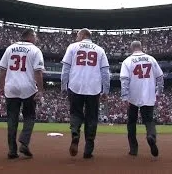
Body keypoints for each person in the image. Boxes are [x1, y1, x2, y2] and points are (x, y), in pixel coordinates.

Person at [61, 28, 110, 159]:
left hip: (75, 85)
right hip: (93, 88)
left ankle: (75, 134)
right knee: (92, 117)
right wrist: (105, 90)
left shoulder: (72, 47)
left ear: (83, 35)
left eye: (77, 35)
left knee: (75, 113)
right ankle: (88, 149)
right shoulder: (99, 50)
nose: (76, 37)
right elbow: (105, 72)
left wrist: (63, 86)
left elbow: (65, 68)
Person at [0, 28, 45, 159]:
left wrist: (1, 87)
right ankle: (24, 141)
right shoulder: (35, 50)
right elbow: (38, 72)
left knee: (12, 118)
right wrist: (40, 90)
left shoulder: (10, 48)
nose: (36, 38)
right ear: (30, 37)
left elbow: (2, 70)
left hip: (11, 87)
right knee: (29, 116)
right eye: (35, 36)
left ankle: (12, 150)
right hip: (28, 88)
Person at [120, 41, 164, 157]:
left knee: (131, 123)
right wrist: (159, 91)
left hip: (133, 96)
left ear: (131, 49)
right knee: (149, 121)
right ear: (141, 47)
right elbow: (160, 77)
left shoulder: (127, 61)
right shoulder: (151, 59)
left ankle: (133, 149)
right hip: (149, 94)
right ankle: (151, 136)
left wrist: (125, 97)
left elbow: (124, 80)